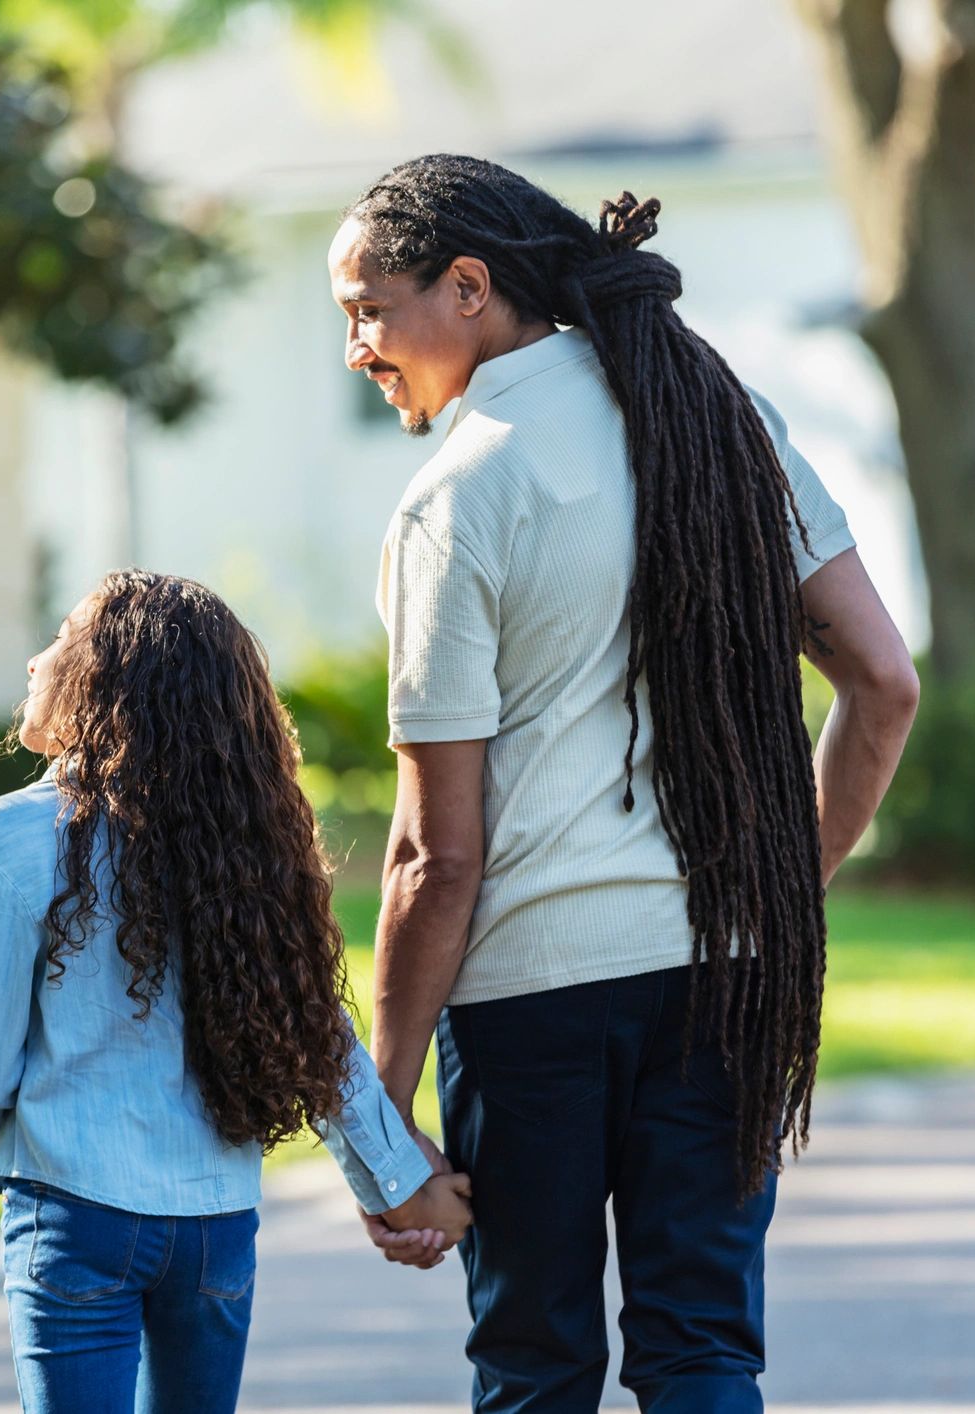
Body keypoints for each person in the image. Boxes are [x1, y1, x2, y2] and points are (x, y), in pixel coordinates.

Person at [328, 155, 922, 1411]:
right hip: (727, 970)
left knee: (537, 1366)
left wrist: (380, 1107)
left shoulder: (459, 496)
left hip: (532, 998)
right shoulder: (725, 421)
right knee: (702, 1345)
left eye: (367, 308)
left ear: (470, 288)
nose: (357, 349)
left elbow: (438, 855)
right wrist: (778, 885)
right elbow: (882, 679)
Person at [0, 569, 474, 1414]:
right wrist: (398, 1189)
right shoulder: (249, 848)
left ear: (102, 681)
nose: (35, 662)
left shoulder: (8, 840)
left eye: (59, 641)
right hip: (214, 1232)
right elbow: (316, 1039)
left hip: (74, 1220)